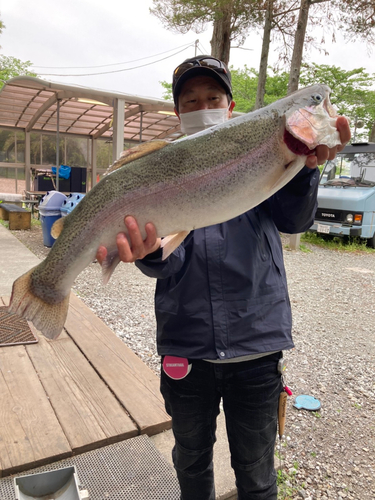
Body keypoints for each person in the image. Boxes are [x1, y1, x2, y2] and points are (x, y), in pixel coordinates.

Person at [97, 56, 350, 499]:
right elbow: (165, 260)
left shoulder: (265, 153)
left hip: (257, 347)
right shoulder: (161, 169)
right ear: (178, 113)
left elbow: (294, 221)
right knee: (191, 460)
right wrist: (148, 255)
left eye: (213, 97)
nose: (203, 105)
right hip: (186, 349)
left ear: (231, 106)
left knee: (256, 471)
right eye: (191, 100)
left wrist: (306, 171)